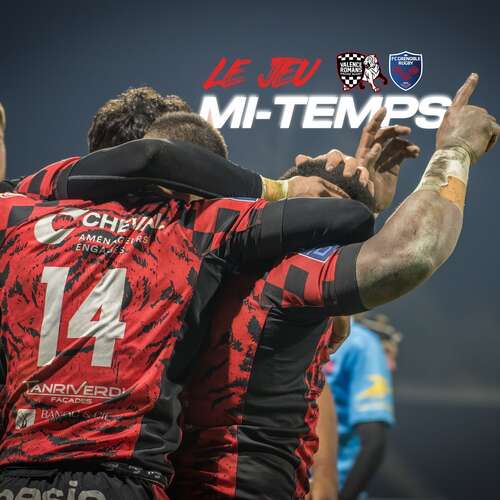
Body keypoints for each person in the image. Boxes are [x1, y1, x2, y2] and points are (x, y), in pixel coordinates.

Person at [0, 112, 377, 499]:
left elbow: (149, 158)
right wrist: (280, 190)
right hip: (133, 477)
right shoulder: (203, 227)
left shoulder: (23, 213)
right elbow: (352, 219)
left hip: (20, 474)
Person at [169, 73, 499, 499]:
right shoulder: (285, 280)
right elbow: (414, 251)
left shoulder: (206, 259)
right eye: (327, 203)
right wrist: (455, 151)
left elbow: (334, 301)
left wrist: (360, 208)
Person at [322, 314, 401, 500]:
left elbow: (373, 443)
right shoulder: (364, 343)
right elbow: (374, 442)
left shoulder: (307, 333)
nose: (392, 366)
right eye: (387, 352)